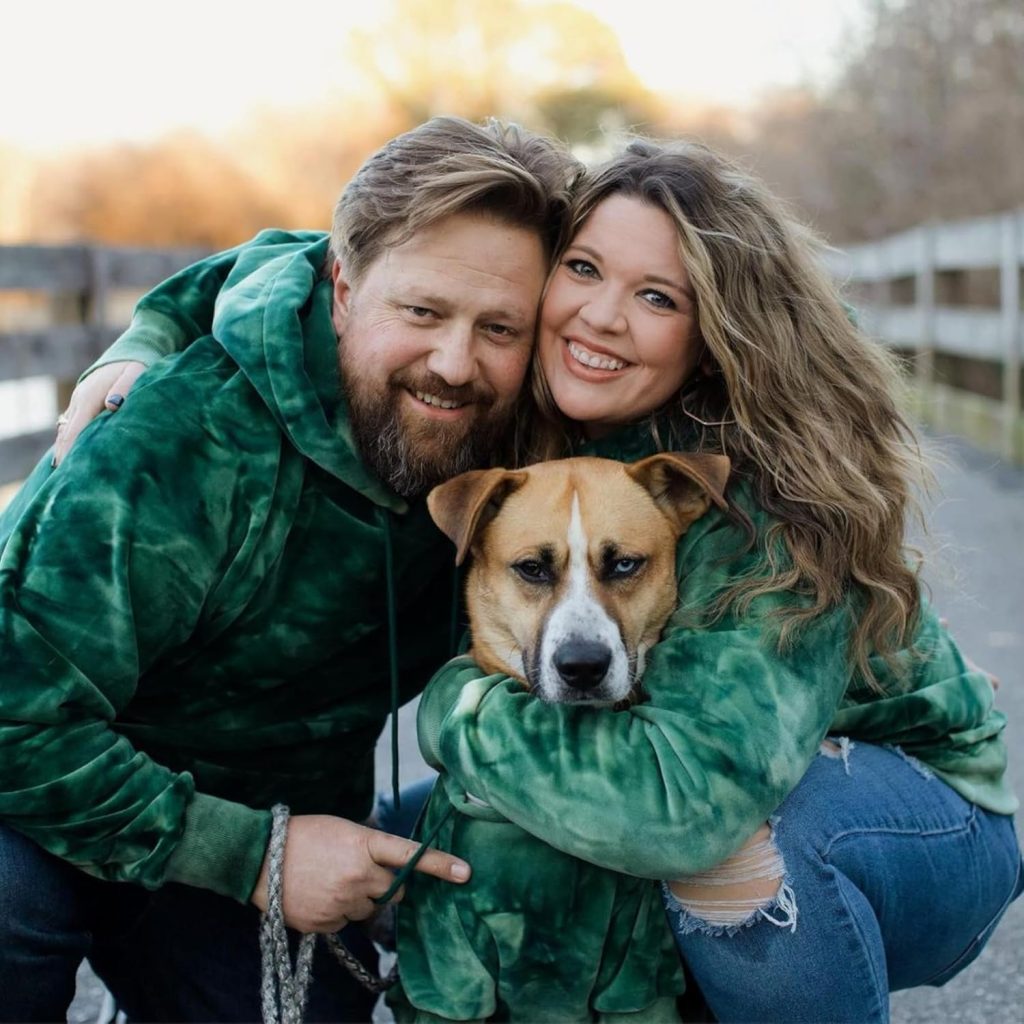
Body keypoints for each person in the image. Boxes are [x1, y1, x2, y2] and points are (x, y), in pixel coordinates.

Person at [55, 140, 1021, 1023]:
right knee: (412, 850)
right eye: (585, 270)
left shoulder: (756, 494)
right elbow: (333, 265)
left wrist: (458, 708)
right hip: (682, 763)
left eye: (659, 297)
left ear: (715, 328)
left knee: (734, 848)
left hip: (900, 816)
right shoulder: (519, 390)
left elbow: (682, 810)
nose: (602, 315)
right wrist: (149, 335)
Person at [0, 115, 580, 1022]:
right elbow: (13, 715)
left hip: (270, 833)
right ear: (342, 289)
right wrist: (253, 857)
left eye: (498, 327)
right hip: (61, 802)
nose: (455, 362)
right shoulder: (176, 442)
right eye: (421, 312)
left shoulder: (523, 442)